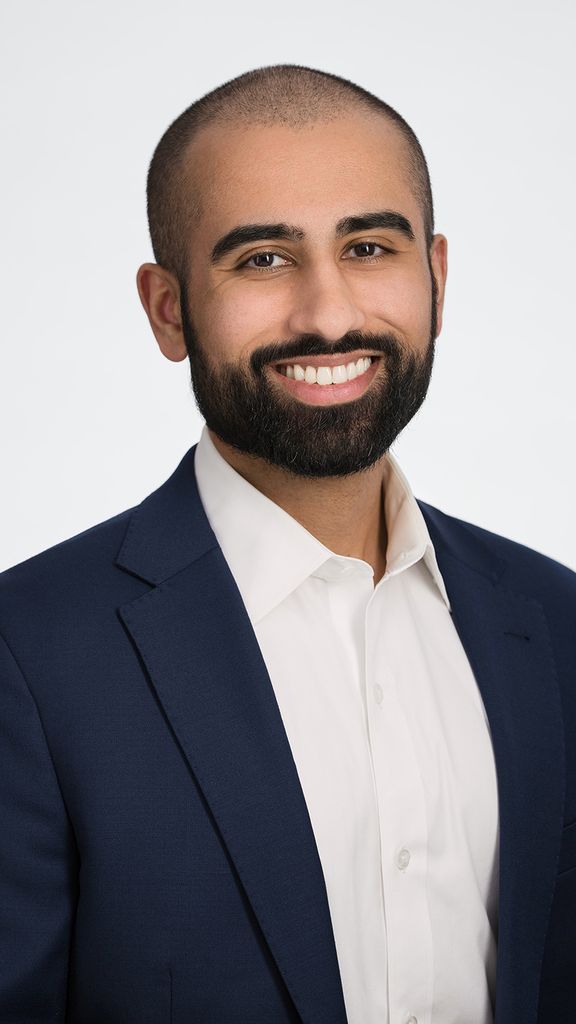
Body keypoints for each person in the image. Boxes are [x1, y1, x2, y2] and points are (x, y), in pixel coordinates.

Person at [0, 63, 574, 1024]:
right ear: (168, 309)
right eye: (262, 258)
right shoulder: (29, 655)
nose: (328, 313)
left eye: (368, 246)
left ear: (435, 276)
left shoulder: (555, 622)